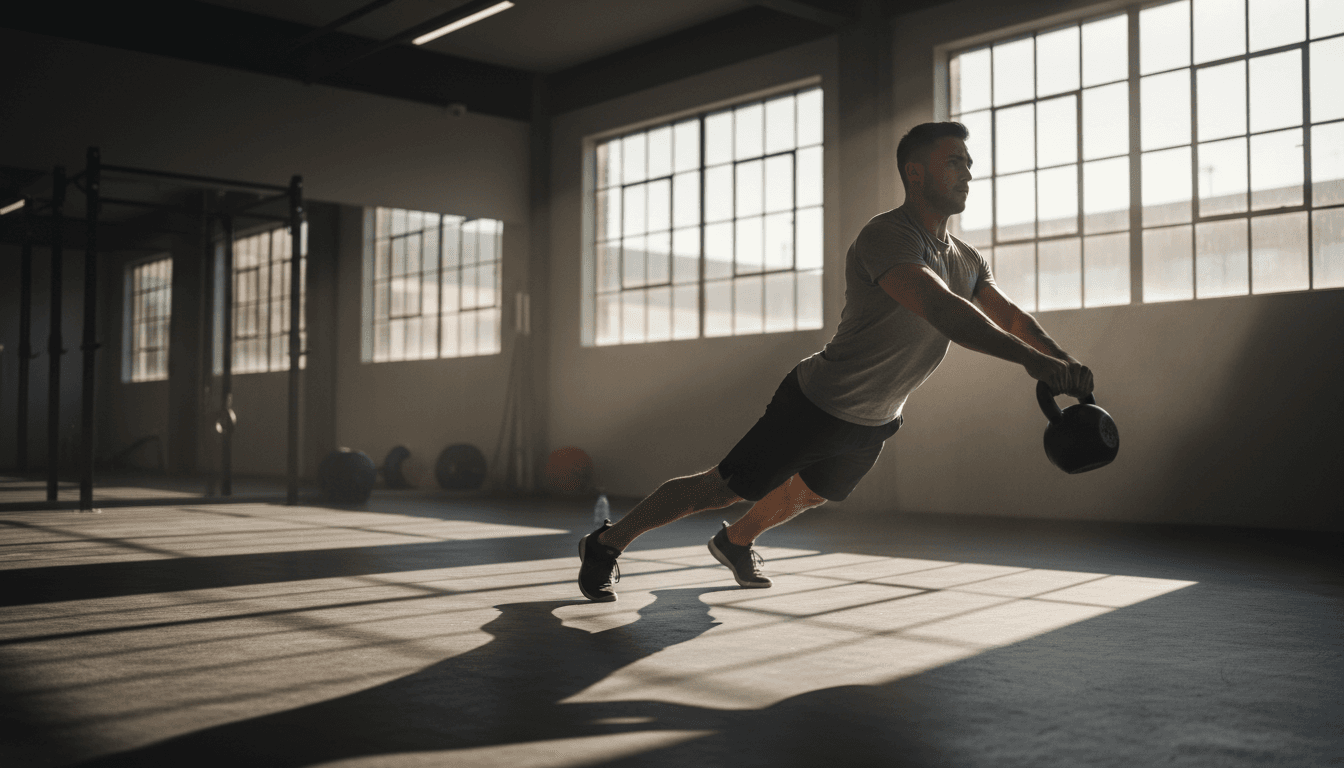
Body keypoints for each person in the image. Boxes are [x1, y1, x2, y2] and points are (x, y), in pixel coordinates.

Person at [577, 121, 1094, 602]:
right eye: (953, 162)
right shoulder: (886, 236)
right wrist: (1031, 362)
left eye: (969, 162)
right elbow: (943, 309)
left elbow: (1010, 316)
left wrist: (1060, 358)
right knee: (723, 487)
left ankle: (734, 543)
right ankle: (607, 542)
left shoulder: (966, 256)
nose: (968, 172)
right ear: (915, 173)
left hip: (877, 417)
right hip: (817, 401)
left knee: (810, 493)